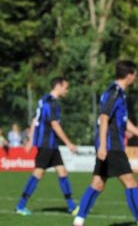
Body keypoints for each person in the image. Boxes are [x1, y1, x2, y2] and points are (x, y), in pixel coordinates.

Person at [73, 60, 138, 226]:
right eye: (135, 75)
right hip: (111, 146)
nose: (136, 78)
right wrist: (102, 145)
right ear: (129, 75)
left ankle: (78, 221)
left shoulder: (118, 92)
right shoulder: (115, 92)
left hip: (109, 145)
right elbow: (103, 117)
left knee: (98, 184)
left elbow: (123, 121)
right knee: (131, 183)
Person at [15, 77, 78, 216]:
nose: (67, 90)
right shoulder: (52, 102)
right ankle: (20, 205)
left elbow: (34, 120)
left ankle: (72, 206)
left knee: (62, 172)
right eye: (65, 87)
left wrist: (30, 141)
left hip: (51, 144)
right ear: (58, 86)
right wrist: (68, 143)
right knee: (38, 173)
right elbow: (55, 125)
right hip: (46, 143)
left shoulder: (43, 99)